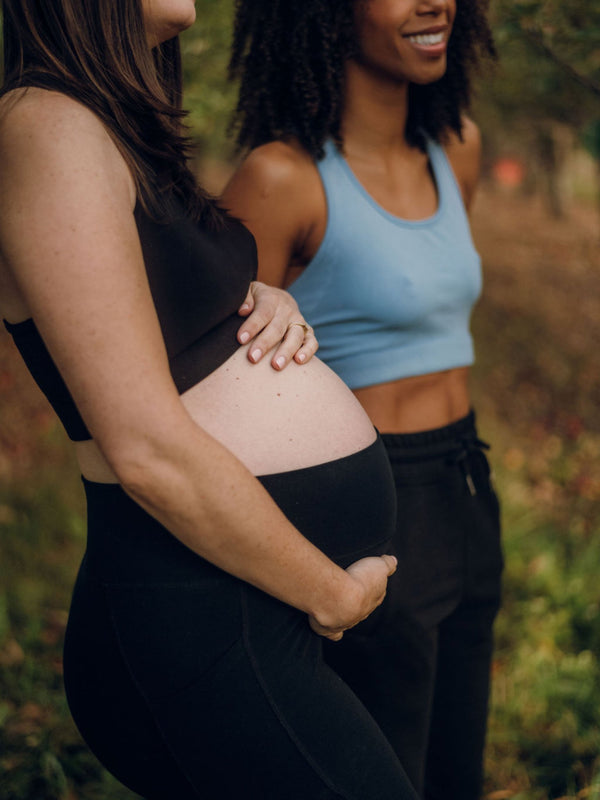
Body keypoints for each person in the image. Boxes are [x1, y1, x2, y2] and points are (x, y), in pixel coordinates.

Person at [0, 1, 422, 799]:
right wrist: (332, 593)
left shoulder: (109, 125)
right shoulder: (43, 124)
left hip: (234, 602)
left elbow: (146, 311)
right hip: (205, 607)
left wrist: (255, 294)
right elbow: (146, 449)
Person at [222, 1, 504, 798]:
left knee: (457, 769)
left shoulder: (460, 150)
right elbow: (207, 384)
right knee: (385, 775)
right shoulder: (282, 179)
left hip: (467, 485)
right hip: (369, 510)